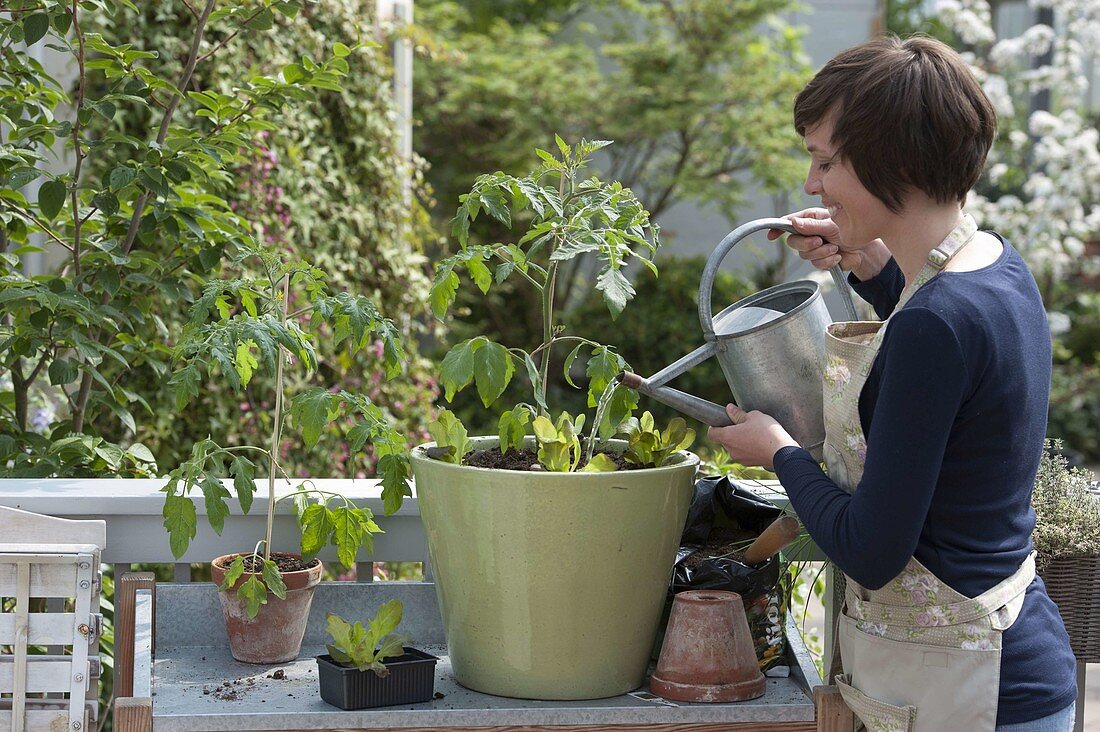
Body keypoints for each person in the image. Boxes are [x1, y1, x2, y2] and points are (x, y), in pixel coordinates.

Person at [707, 36, 1077, 732]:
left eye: (825, 161)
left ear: (895, 161)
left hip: (973, 695)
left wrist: (780, 452)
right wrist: (870, 266)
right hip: (1004, 665)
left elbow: (873, 550)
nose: (811, 185)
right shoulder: (996, 267)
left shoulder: (933, 326)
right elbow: (949, 362)